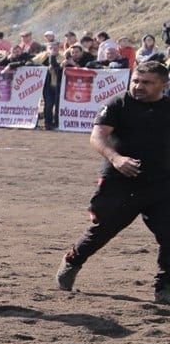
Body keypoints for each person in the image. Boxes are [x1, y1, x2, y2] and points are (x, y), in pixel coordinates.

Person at [57, 61, 170, 305]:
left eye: (147, 82)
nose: (138, 86)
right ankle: (73, 260)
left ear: (164, 85)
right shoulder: (118, 104)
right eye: (136, 80)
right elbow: (97, 136)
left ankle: (164, 289)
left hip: (161, 184)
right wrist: (116, 159)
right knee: (103, 230)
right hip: (121, 181)